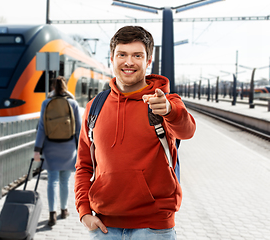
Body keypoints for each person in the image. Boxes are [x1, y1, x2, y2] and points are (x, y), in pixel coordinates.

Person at [74, 26, 196, 239]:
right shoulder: (95, 107)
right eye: (122, 54)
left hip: (154, 228)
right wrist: (84, 210)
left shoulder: (166, 102)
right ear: (112, 58)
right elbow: (84, 165)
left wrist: (169, 111)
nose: (128, 62)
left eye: (137, 55)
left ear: (148, 61)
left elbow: (187, 130)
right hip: (104, 227)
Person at [34, 76, 82, 227]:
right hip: (68, 148)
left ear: (53, 87)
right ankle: (64, 210)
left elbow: (41, 127)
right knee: (65, 181)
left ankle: (52, 214)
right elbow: (79, 129)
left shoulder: (46, 103)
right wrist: (81, 149)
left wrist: (37, 149)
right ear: (65, 86)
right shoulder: (73, 103)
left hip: (50, 147)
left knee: (52, 181)